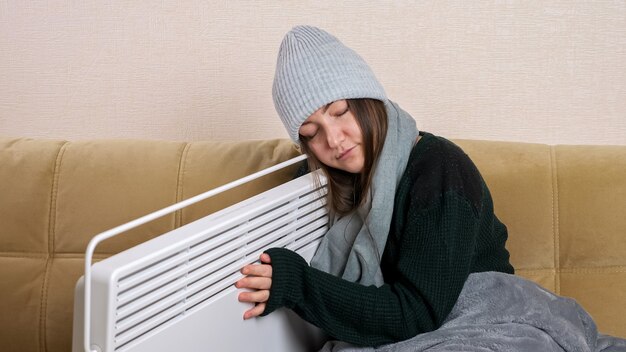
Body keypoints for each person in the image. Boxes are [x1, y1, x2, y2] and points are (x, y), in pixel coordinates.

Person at [234, 25, 515, 347]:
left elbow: (417, 313)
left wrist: (300, 285)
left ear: (370, 101)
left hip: (484, 319)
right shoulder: (317, 182)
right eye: (312, 133)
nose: (334, 140)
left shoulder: (439, 168)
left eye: (340, 112)